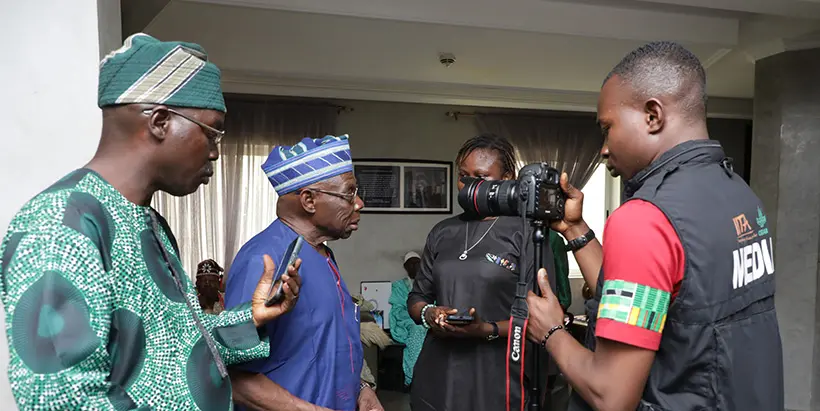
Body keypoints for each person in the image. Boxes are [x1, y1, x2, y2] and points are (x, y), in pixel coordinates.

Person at [0, 33, 302, 410]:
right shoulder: (62, 223)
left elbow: (169, 353)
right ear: (160, 122)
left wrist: (249, 318)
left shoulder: (151, 224)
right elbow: (63, 400)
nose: (215, 152)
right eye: (212, 131)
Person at [525, 41, 784, 411]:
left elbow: (611, 395)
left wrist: (552, 332)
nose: (603, 148)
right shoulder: (740, 194)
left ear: (652, 115)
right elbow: (649, 302)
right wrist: (574, 228)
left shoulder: (646, 216)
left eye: (607, 127)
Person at [225, 135, 384, 411]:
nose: (359, 203)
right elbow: (233, 376)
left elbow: (329, 344)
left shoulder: (322, 255)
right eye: (349, 193)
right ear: (309, 201)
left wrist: (361, 388)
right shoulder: (263, 260)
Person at [406, 133, 559, 411]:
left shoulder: (527, 233)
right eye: (463, 176)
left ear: (508, 178)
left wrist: (484, 330)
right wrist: (430, 314)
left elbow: (539, 319)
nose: (469, 185)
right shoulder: (442, 232)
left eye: (481, 176)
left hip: (497, 375)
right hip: (438, 371)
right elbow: (417, 296)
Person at [388, 251, 427, 388]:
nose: (414, 267)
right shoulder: (399, 286)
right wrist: (414, 315)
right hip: (404, 321)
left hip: (425, 319)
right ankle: (413, 377)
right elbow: (398, 309)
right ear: (405, 267)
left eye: (417, 263)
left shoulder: (427, 284)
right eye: (410, 265)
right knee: (417, 329)